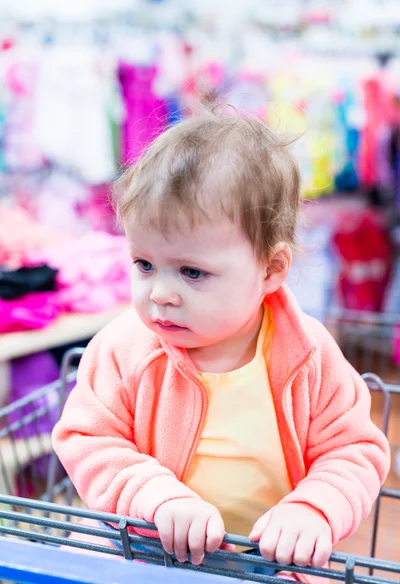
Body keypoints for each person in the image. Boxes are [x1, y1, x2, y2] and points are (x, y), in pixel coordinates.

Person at [52, 111, 390, 579]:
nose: (160, 293)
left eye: (192, 272)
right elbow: (89, 438)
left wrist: (313, 510)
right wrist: (155, 497)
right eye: (144, 264)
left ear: (271, 270)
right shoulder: (123, 347)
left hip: (269, 558)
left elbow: (353, 449)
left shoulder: (309, 355)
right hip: (142, 541)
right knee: (76, 561)